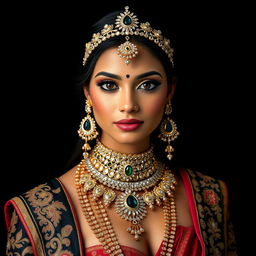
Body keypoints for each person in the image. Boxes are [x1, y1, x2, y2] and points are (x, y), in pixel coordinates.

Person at [4, 6, 237, 256]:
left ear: (169, 91)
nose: (128, 104)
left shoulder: (210, 196)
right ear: (88, 93)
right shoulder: (39, 212)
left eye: (148, 85)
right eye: (108, 85)